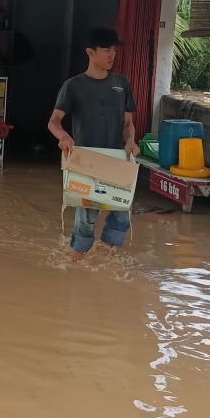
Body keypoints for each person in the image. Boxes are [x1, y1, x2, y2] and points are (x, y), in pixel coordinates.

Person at [47, 27, 140, 258]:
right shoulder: (74, 86)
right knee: (86, 220)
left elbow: (128, 123)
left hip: (117, 160)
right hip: (86, 161)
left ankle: (102, 264)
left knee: (120, 215)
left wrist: (130, 141)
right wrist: (64, 137)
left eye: (114, 50)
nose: (112, 55)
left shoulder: (122, 84)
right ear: (90, 52)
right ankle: (75, 265)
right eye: (107, 50)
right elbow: (54, 122)